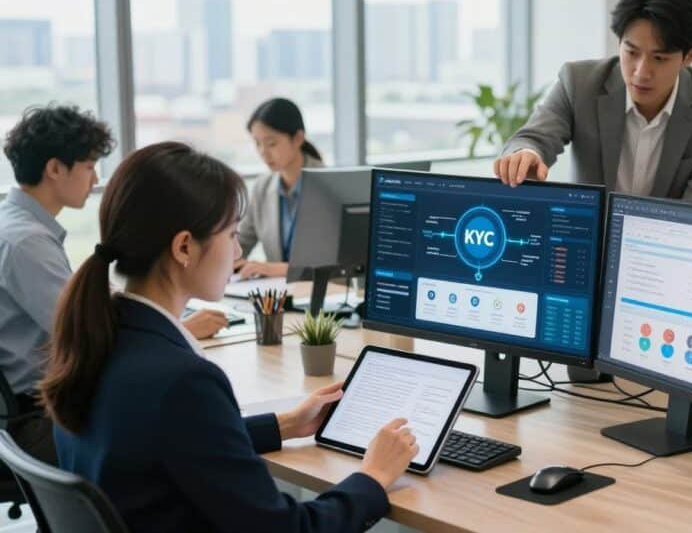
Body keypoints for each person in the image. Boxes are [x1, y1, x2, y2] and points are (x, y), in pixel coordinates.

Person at [41, 142, 418, 532]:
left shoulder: (102, 338)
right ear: (184, 247)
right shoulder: (182, 382)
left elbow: (179, 444)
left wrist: (285, 424)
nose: (238, 249)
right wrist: (374, 475)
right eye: (233, 234)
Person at [0, 106, 227, 465]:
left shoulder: (17, 226)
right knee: (188, 428)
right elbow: (85, 330)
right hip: (41, 419)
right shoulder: (25, 241)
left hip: (43, 406)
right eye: (89, 166)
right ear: (55, 169)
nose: (95, 180)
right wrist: (176, 329)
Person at [493, 0, 692, 202]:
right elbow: (534, 138)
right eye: (631, 53)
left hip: (665, 246)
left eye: (660, 58)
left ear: (690, 56)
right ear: (618, 42)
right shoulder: (579, 83)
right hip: (590, 243)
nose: (641, 72)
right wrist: (525, 153)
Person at [235, 98, 325, 279]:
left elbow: (339, 265)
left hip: (323, 297)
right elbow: (240, 244)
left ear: (298, 138)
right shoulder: (262, 187)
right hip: (276, 297)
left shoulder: (329, 186)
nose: (263, 152)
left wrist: (276, 269)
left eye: (271, 143)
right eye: (257, 143)